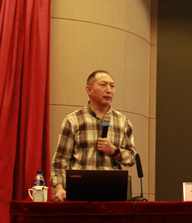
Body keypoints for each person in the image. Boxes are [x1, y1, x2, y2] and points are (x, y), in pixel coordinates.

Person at [50, 70, 136, 201]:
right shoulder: (73, 120)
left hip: (112, 191)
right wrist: (59, 187)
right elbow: (60, 161)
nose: (109, 90)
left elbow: (132, 158)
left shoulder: (123, 122)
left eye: (112, 86)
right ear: (89, 90)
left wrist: (114, 151)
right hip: (79, 190)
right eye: (103, 85)